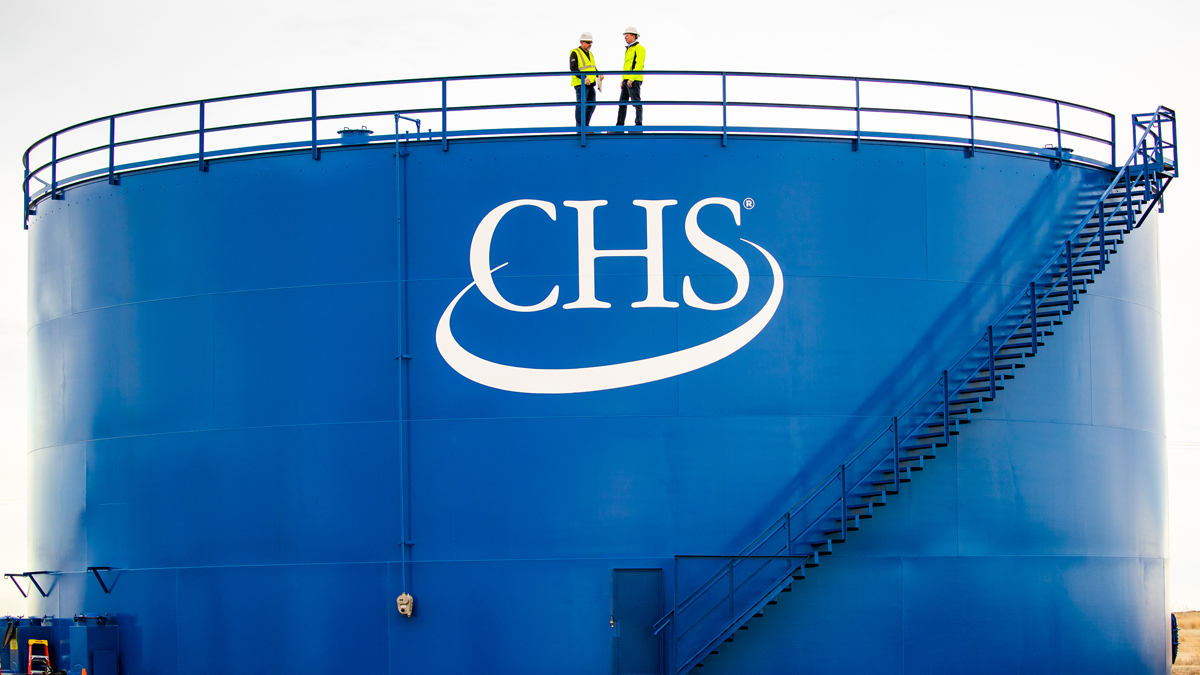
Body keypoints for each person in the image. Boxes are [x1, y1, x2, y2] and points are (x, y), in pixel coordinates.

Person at [569, 33, 603, 127]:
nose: (590, 44)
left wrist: (598, 74)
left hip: (590, 84)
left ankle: (585, 125)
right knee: (581, 105)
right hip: (581, 84)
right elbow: (573, 68)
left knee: (591, 105)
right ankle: (580, 128)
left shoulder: (590, 54)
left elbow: (592, 68)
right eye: (588, 42)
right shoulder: (575, 52)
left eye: (591, 42)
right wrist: (584, 77)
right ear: (582, 42)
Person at [617, 27, 645, 130]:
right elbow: (627, 66)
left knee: (636, 101)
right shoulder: (628, 49)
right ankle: (619, 125)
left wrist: (632, 78)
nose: (625, 37)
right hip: (626, 80)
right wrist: (623, 79)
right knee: (622, 103)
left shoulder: (639, 48)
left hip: (634, 79)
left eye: (627, 35)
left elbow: (639, 64)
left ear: (633, 36)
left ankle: (638, 124)